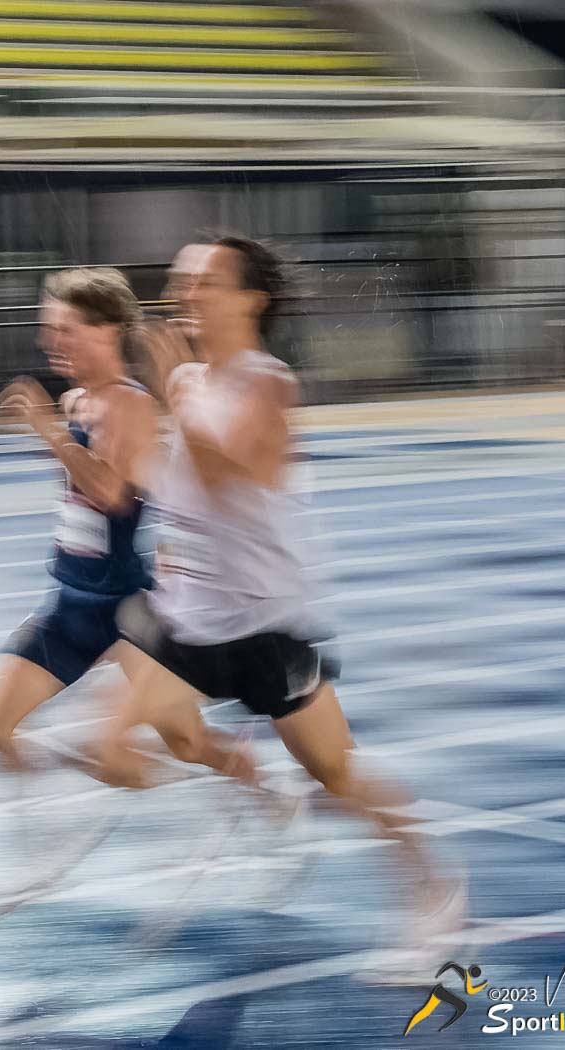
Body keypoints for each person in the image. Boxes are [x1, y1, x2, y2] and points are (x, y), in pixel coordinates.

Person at [96, 234, 456, 934]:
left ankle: (432, 888)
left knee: (339, 778)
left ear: (252, 298)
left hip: (266, 625)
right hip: (189, 619)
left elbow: (236, 474)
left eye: (205, 281)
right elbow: (186, 490)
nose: (187, 293)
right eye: (181, 281)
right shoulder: (191, 383)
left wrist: (176, 396)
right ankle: (254, 797)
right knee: (108, 745)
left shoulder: (268, 381)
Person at [0, 267, 156, 775]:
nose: (49, 341)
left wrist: (49, 431)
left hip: (125, 611)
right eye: (47, 329)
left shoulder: (131, 403)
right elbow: (80, 485)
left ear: (107, 330)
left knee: (187, 743)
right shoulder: (77, 401)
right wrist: (54, 433)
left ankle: (251, 788)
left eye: (64, 329)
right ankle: (63, 824)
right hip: (71, 601)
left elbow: (113, 493)